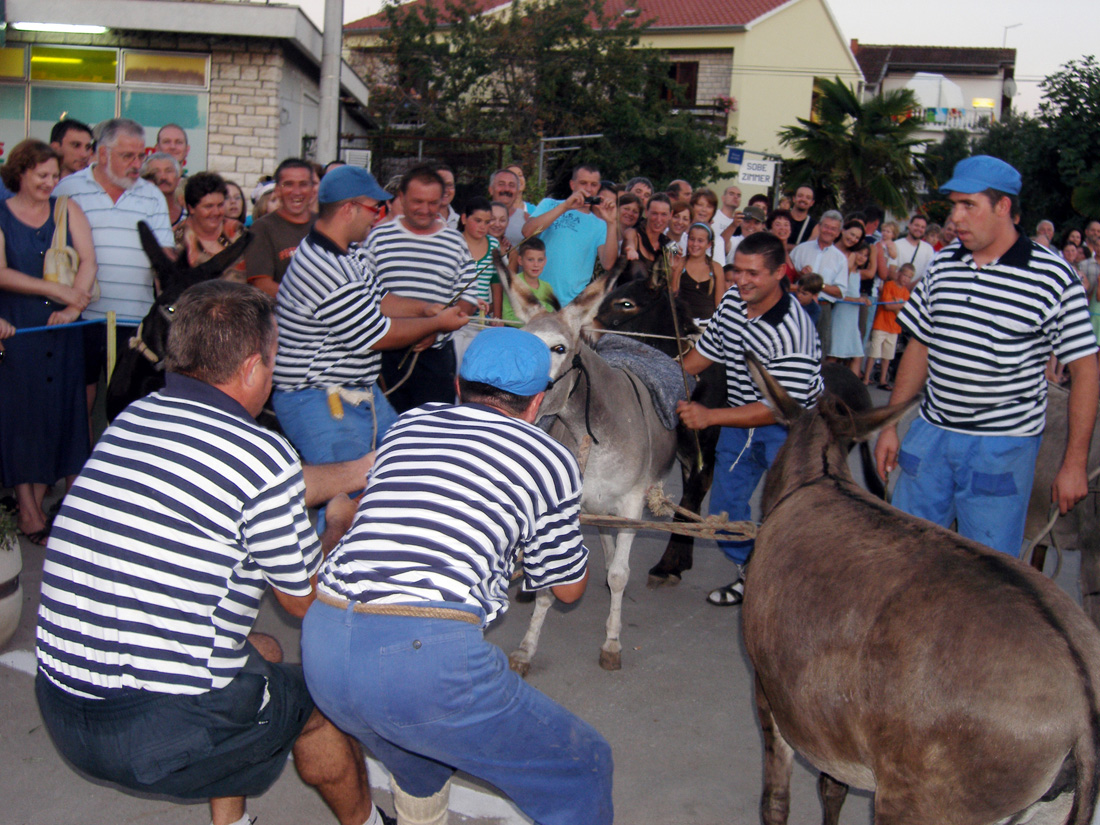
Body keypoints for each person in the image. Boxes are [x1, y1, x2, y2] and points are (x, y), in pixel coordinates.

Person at [35, 279, 394, 825]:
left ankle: (232, 822)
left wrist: (361, 470)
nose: (274, 374)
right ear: (251, 368)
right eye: (273, 361)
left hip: (64, 703)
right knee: (321, 704)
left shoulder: (134, 418)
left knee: (262, 651)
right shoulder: (259, 455)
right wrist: (339, 525)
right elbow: (308, 601)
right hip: (158, 730)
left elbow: (264, 486)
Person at [299, 325, 612, 825]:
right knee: (583, 765)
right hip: (423, 657)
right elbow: (569, 588)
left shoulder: (410, 424)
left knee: (421, 763)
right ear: (538, 403)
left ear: (458, 387)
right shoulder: (551, 458)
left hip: (325, 645)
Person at [875, 155, 1100, 556]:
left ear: (1003, 207)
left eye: (968, 205)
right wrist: (890, 424)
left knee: (985, 569)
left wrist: (1073, 465)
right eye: (953, 206)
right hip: (931, 435)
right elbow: (921, 346)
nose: (955, 218)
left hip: (1002, 447)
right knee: (906, 557)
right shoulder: (944, 263)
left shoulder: (1053, 276)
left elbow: (1085, 371)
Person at [273, 165, 470, 467]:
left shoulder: (348, 253)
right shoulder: (324, 268)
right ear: (349, 209)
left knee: (398, 466)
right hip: (318, 398)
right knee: (347, 489)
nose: (377, 216)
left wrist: (425, 308)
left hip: (354, 391)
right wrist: (436, 323)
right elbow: (377, 335)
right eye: (374, 208)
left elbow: (382, 298)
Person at [676, 231, 823, 606]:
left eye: (753, 273)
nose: (741, 280)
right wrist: (663, 375)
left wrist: (709, 416)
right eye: (737, 270)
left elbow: (778, 408)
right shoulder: (731, 302)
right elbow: (704, 354)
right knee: (723, 514)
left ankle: (793, 588)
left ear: (779, 272)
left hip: (790, 431)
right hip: (740, 425)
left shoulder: (794, 330)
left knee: (789, 515)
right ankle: (752, 572)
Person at [0, 139, 96, 544]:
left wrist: (73, 307)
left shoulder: (67, 209)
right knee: (22, 419)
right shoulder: (2, 214)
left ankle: (37, 504)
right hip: (19, 329)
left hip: (63, 329)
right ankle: (27, 510)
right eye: (42, 175)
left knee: (59, 415)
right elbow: (1, 272)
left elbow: (88, 260)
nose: (50, 182)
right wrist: (57, 291)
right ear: (20, 172)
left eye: (55, 175)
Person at [54, 118, 173, 396]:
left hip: (136, 319)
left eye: (141, 156)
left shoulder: (152, 195)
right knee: (80, 394)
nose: (136, 164)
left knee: (127, 398)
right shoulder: (68, 189)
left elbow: (164, 259)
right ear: (103, 154)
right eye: (127, 156)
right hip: (81, 316)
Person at [365, 165, 479, 413]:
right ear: (401, 198)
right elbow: (365, 295)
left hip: (434, 357)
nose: (425, 209)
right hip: (384, 356)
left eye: (432, 203)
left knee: (433, 424)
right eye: (418, 201)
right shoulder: (378, 238)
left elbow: (469, 297)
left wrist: (436, 329)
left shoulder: (455, 242)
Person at [521, 164, 618, 305]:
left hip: (571, 304)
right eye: (583, 183)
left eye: (593, 185)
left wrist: (612, 223)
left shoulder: (600, 224)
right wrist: (565, 206)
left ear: (598, 188)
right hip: (538, 297)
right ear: (572, 185)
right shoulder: (550, 204)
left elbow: (608, 264)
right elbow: (527, 231)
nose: (588, 189)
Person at [244, 158, 316, 297]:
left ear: (313, 190)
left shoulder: (325, 225)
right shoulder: (262, 228)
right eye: (288, 184)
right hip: (283, 309)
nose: (297, 192)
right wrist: (305, 302)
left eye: (303, 184)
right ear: (277, 190)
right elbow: (262, 284)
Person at [791, 209, 846, 357]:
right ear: (819, 227)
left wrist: (817, 285)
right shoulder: (801, 249)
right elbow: (788, 276)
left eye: (833, 229)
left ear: (838, 233)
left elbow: (840, 292)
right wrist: (801, 274)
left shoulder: (840, 259)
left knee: (819, 350)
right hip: (798, 304)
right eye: (826, 226)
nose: (828, 231)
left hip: (823, 308)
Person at [173, 171, 247, 281]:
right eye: (208, 206)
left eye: (220, 205)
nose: (216, 212)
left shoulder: (238, 231)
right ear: (191, 208)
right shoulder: (174, 239)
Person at [863, 262, 913, 389]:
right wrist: (900, 305)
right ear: (899, 273)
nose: (906, 279)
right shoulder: (889, 285)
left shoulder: (906, 292)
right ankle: (866, 378)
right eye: (904, 275)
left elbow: (900, 310)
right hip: (881, 324)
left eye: (909, 277)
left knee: (887, 356)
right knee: (874, 353)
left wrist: (895, 304)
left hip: (894, 328)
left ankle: (883, 380)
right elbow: (887, 305)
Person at [829, 241, 871, 372]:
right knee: (834, 354)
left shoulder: (858, 273)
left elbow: (871, 272)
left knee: (857, 355)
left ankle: (854, 384)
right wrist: (856, 299)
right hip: (841, 315)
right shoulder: (844, 271)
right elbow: (838, 295)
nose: (862, 257)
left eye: (865, 255)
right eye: (860, 253)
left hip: (852, 317)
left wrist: (862, 300)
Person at [671, 222, 724, 322]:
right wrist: (674, 270)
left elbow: (719, 304)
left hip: (707, 324)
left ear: (709, 244)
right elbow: (673, 296)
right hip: (683, 322)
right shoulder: (680, 263)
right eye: (692, 239)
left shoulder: (716, 268)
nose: (695, 244)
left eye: (700, 241)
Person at [495, 237, 556, 323]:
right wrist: (533, 322)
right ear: (520, 260)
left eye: (540, 260)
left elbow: (549, 315)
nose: (536, 264)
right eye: (530, 260)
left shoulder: (547, 287)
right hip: (518, 331)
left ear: (545, 261)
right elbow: (507, 316)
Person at [140, 151, 184, 226]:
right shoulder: (135, 214)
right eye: (156, 172)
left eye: (169, 171)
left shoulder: (190, 216)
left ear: (178, 178)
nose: (163, 177)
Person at [487, 168, 526, 247]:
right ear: (491, 190)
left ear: (517, 192)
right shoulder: (479, 216)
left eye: (511, 185)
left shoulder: (526, 219)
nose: (507, 189)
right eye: (501, 184)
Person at [688, 188, 726, 263]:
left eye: (709, 206)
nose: (704, 210)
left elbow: (719, 267)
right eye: (700, 205)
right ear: (692, 207)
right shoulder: (682, 235)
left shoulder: (718, 241)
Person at [894, 213, 935, 282]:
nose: (919, 229)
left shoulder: (929, 249)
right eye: (916, 225)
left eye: (922, 227)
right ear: (909, 225)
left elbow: (928, 273)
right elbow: (892, 271)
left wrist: (911, 286)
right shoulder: (897, 244)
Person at [766, 209, 797, 282]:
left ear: (790, 230)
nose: (782, 228)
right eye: (778, 224)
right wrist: (798, 287)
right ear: (770, 229)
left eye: (786, 225)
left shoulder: (790, 253)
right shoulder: (769, 252)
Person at [436, 164, 459, 230]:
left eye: (449, 185)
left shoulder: (460, 221)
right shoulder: (423, 220)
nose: (445, 190)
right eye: (441, 185)